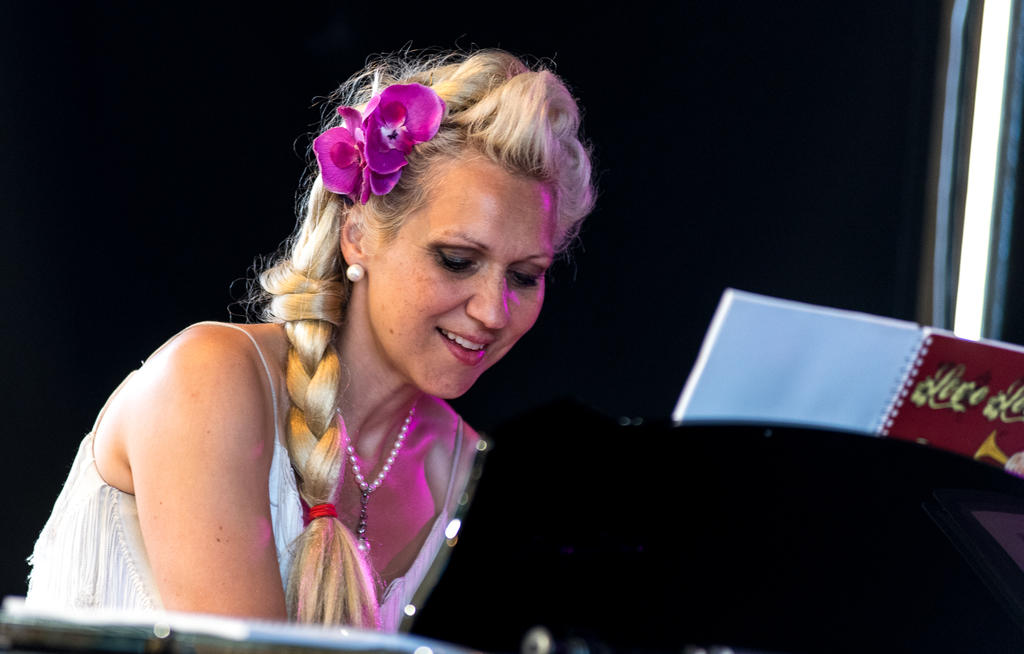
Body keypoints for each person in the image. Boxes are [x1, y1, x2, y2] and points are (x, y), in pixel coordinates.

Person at [25, 49, 595, 632]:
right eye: (456, 260)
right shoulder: (206, 379)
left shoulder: (473, 479)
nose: (493, 311)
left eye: (525, 276)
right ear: (357, 235)